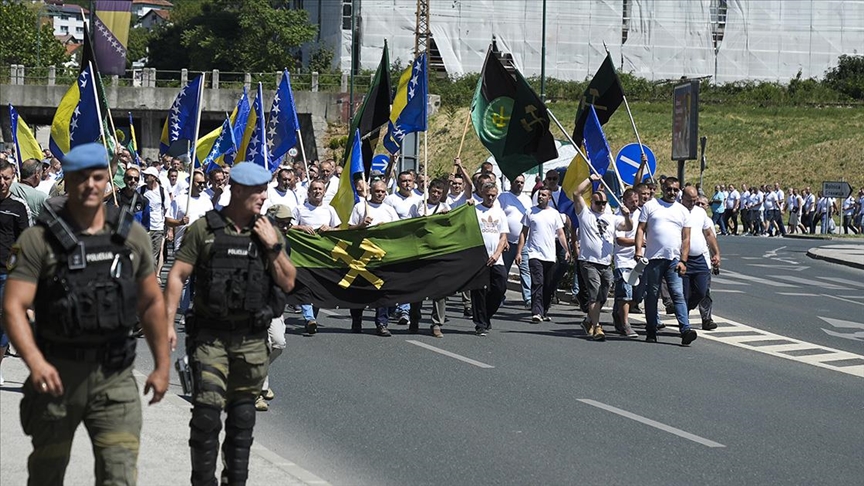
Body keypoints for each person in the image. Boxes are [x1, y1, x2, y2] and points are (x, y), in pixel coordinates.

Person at [2, 143, 170, 485]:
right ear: (68, 180)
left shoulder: (131, 236)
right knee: (46, 475)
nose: (91, 185)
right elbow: (13, 306)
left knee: (118, 475)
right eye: (81, 177)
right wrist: (35, 362)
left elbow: (152, 302)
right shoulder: (38, 240)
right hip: (57, 374)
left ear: (108, 180)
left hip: (114, 377)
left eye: (98, 177)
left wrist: (162, 365)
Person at [164, 162, 296, 485]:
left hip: (251, 342)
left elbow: (288, 281)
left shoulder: (268, 232)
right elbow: (178, 275)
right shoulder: (204, 230)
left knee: (242, 419)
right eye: (258, 191)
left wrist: (273, 246)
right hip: (210, 338)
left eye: (265, 190)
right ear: (236, 190)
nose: (264, 196)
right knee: (206, 416)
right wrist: (167, 324)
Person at [634, 176, 698, 346]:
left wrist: (683, 260)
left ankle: (685, 330)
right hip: (653, 259)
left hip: (673, 260)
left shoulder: (683, 211)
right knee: (652, 295)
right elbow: (640, 229)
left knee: (677, 294)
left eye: (675, 190)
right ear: (663, 189)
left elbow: (686, 238)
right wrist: (638, 250)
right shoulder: (650, 206)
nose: (672, 192)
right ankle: (651, 329)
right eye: (669, 189)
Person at [573, 174, 633, 341]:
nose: (601, 205)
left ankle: (588, 321)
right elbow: (576, 193)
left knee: (603, 296)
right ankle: (597, 326)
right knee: (594, 293)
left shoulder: (612, 218)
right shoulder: (585, 214)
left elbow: (628, 227)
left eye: (604, 203)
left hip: (605, 263)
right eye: (598, 203)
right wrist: (590, 179)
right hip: (589, 262)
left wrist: (627, 216)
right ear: (591, 202)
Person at [347, 180, 399, 336]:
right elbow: (350, 228)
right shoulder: (360, 207)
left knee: (382, 290)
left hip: (382, 257)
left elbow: (398, 230)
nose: (380, 194)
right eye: (377, 191)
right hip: (362, 256)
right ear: (371, 191)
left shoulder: (389, 210)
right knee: (360, 291)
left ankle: (382, 323)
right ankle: (357, 320)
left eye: (383, 192)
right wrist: (362, 225)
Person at [256, 204, 295, 412]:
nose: (286, 227)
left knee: (278, 343)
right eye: (281, 223)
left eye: (288, 223)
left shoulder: (285, 244)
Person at [165, 170, 213, 327]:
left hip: (203, 245)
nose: (202, 185)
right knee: (184, 281)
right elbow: (168, 220)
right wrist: (180, 222)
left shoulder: (207, 201)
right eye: (199, 182)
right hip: (184, 245)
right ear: (191, 182)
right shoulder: (180, 200)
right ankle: (185, 312)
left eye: (203, 183)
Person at [293, 179, 341, 334]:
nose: (317, 191)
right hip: (303, 256)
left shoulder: (330, 210)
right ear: (309, 192)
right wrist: (301, 227)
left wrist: (330, 229)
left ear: (324, 192)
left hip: (322, 257)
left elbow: (340, 230)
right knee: (304, 286)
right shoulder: (300, 209)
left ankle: (312, 316)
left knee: (318, 288)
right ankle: (309, 318)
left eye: (320, 189)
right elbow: (288, 227)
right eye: (314, 189)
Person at [516, 188, 570, 323]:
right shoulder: (530, 212)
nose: (541, 197)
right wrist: (519, 252)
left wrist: (567, 250)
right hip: (534, 254)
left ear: (549, 198)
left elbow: (561, 234)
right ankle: (536, 312)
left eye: (544, 195)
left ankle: (544, 310)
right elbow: (524, 233)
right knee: (537, 282)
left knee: (548, 285)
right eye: (540, 195)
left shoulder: (554, 214)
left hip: (550, 255)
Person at [0, 158, 31, 384]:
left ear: (13, 179)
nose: (2, 182)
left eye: (6, 178)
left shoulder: (18, 206)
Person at [407, 179, 450, 337]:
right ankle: (414, 319)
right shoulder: (419, 205)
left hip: (437, 253)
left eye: (439, 192)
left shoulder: (445, 207)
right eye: (434, 191)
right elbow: (408, 225)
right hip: (420, 253)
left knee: (440, 290)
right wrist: (420, 219)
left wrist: (444, 217)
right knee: (417, 289)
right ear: (429, 190)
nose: (436, 195)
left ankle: (437, 323)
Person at [384, 171, 423, 325]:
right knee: (395, 277)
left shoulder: (420, 200)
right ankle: (393, 306)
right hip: (395, 242)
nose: (407, 184)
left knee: (408, 277)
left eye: (409, 181)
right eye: (403, 181)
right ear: (399, 183)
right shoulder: (391, 199)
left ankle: (404, 309)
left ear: (414, 182)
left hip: (412, 243)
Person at [681, 188, 721, 330]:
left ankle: (686, 310)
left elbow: (709, 234)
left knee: (702, 291)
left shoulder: (700, 213)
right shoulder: (677, 211)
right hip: (683, 259)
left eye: (695, 200)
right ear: (682, 198)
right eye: (690, 200)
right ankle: (684, 325)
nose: (693, 204)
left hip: (700, 259)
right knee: (684, 293)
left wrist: (716, 254)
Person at [471, 182, 508, 336]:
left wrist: (497, 254)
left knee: (500, 287)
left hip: (496, 258)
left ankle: (486, 315)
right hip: (479, 257)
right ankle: (480, 323)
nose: (490, 198)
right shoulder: (475, 210)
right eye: (488, 195)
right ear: (482, 193)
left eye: (493, 195)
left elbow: (503, 236)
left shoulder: (500, 212)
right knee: (478, 291)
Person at [498, 174, 533, 308]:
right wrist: (503, 238)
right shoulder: (503, 197)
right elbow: (499, 217)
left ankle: (528, 299)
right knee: (503, 272)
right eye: (517, 182)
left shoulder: (527, 199)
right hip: (506, 242)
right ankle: (499, 296)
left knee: (525, 271)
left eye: (522, 182)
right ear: (511, 183)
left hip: (523, 242)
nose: (519, 184)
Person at [611, 188, 641, 338]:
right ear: (624, 202)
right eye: (631, 202)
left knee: (638, 294)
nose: (635, 204)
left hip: (639, 261)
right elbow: (620, 240)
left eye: (636, 201)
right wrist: (639, 242)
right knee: (625, 293)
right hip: (623, 260)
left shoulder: (641, 213)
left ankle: (618, 312)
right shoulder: (619, 216)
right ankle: (625, 324)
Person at [141, 166, 170, 276]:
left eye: (147, 175)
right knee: (145, 254)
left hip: (157, 228)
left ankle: (151, 277)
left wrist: (169, 229)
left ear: (154, 177)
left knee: (153, 255)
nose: (144, 177)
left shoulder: (162, 191)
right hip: (144, 227)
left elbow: (167, 210)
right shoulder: (141, 190)